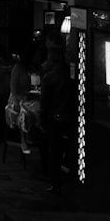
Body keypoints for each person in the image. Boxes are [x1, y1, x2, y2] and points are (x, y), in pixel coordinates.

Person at [40, 46, 73, 194]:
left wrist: (42, 121)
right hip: (70, 116)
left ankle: (55, 182)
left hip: (55, 117)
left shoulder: (49, 77)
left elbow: (44, 103)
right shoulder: (71, 75)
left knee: (54, 151)